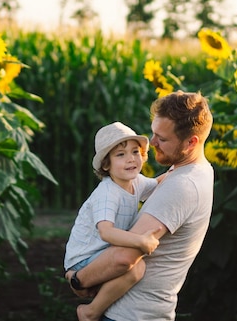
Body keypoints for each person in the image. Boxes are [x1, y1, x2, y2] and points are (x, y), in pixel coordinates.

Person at [65, 90, 214, 321]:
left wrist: (78, 280)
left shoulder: (182, 185)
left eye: (162, 139)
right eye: (153, 134)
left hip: (131, 314)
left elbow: (124, 258)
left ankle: (90, 312)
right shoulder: (197, 171)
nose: (152, 143)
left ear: (191, 142)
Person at [64, 121, 163, 321]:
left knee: (134, 266)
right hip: (83, 257)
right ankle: (90, 312)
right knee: (136, 268)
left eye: (135, 152)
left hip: (104, 251)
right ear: (106, 165)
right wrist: (141, 242)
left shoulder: (136, 181)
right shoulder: (108, 193)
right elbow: (106, 232)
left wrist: (180, 171)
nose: (131, 159)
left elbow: (160, 184)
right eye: (121, 154)